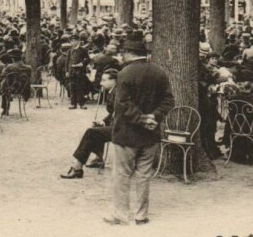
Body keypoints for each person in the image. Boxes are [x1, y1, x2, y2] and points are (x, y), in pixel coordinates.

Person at [104, 34, 174, 226]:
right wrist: (154, 117)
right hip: (150, 133)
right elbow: (168, 100)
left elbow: (123, 104)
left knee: (122, 174)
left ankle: (120, 214)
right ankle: (141, 214)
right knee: (144, 175)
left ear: (128, 53)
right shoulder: (159, 72)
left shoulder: (124, 73)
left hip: (127, 133)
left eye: (123, 53)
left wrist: (141, 119)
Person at [60, 69, 118, 179]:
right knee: (96, 128)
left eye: (104, 80)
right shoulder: (114, 92)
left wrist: (108, 123)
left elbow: (118, 113)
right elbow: (113, 113)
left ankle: (77, 167)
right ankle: (98, 159)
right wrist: (104, 121)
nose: (101, 83)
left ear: (114, 81)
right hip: (117, 125)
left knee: (91, 132)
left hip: (121, 128)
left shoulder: (118, 93)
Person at [0, 48, 32, 116]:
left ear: (12, 58)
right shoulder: (28, 68)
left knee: (5, 82)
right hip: (24, 89)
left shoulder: (9, 67)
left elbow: (2, 75)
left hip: (11, 89)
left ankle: (5, 109)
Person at [66, 33, 91, 109]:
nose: (73, 42)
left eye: (75, 41)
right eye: (72, 41)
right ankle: (73, 103)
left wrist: (82, 63)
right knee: (72, 87)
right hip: (71, 72)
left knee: (80, 87)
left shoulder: (83, 50)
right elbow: (67, 62)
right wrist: (67, 71)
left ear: (78, 41)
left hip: (80, 72)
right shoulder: (70, 51)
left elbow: (88, 59)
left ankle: (81, 103)